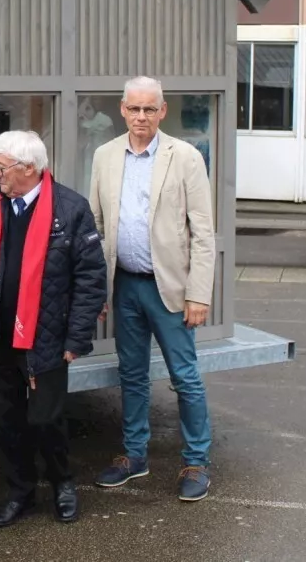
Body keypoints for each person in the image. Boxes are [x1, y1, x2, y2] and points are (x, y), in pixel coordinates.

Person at [0, 130, 107, 528]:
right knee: (7, 420)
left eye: (0, 167)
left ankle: (62, 483)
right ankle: (19, 493)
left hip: (48, 338)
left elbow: (91, 278)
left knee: (45, 419)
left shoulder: (70, 209)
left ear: (28, 168)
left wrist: (77, 337)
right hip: (1, 333)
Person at [87, 76, 217, 502]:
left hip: (172, 290)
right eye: (134, 108)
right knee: (132, 375)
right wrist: (94, 291)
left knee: (185, 378)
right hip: (124, 284)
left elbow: (203, 233)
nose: (141, 116)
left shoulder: (186, 157)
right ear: (122, 109)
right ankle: (134, 455)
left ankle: (196, 461)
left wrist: (198, 294)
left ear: (162, 111)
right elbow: (96, 226)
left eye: (149, 109)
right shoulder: (105, 156)